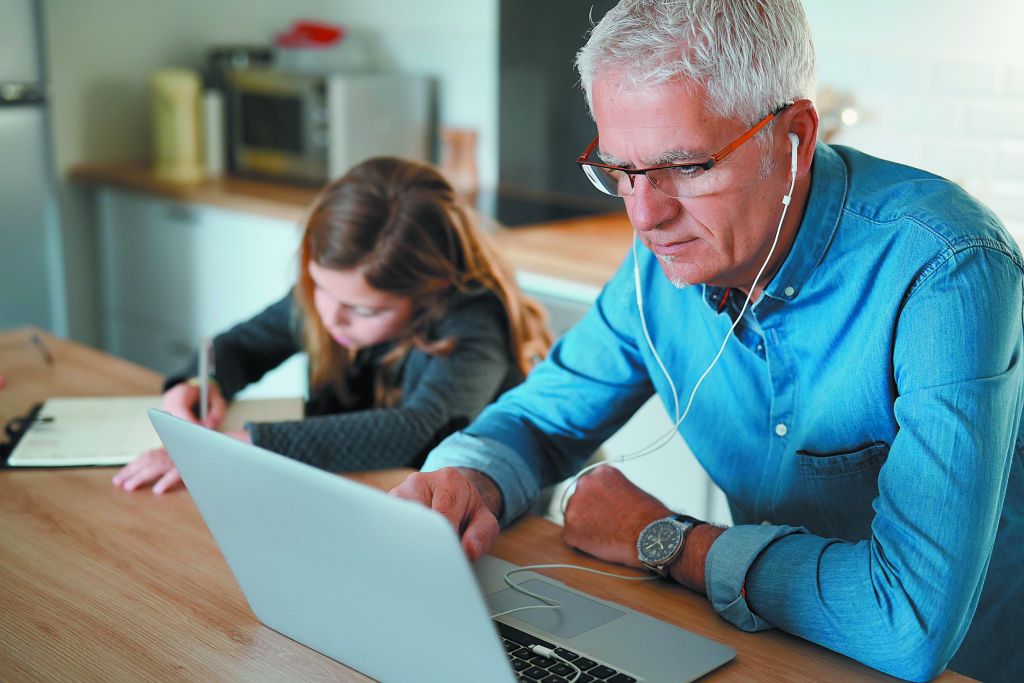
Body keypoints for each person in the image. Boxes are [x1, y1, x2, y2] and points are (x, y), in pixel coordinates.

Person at [388, 2, 1024, 681]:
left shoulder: (947, 269)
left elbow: (907, 624)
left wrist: (664, 540)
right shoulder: (663, 265)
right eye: (619, 170)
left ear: (795, 138)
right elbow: (537, 421)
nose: (645, 215)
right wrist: (468, 480)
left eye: (687, 166)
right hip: (768, 652)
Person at [113, 156, 552, 494]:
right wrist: (199, 382)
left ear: (430, 290)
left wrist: (244, 446)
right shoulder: (333, 295)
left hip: (479, 519)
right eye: (321, 289)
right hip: (359, 493)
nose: (331, 316)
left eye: (365, 310)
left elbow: (416, 428)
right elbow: (241, 346)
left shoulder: (475, 320)